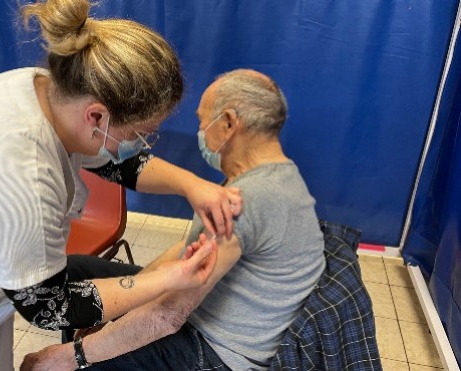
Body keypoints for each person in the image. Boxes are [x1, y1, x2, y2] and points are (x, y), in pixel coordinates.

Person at [0, 1, 242, 370]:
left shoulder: (47, 89)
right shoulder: (20, 175)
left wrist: (192, 185)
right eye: (141, 134)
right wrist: (165, 279)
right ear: (96, 116)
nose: (140, 144)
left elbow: (118, 161)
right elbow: (48, 307)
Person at [21, 69, 327, 371]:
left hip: (215, 349)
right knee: (75, 271)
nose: (202, 130)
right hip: (203, 308)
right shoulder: (277, 176)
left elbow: (167, 316)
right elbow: (185, 249)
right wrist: (111, 311)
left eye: (202, 120)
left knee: (76, 362)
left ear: (229, 123)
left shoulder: (247, 199)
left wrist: (72, 356)